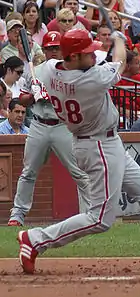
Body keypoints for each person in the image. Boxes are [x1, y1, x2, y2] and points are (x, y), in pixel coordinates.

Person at [17, 28, 140, 275]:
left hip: (102, 142)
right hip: (97, 145)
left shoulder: (49, 69)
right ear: (74, 58)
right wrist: (119, 38)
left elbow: (45, 67)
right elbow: (119, 61)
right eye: (86, 53)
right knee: (100, 219)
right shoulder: (91, 79)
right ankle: (35, 239)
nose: (91, 56)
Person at [7, 31, 90, 227]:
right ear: (43, 50)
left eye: (56, 48)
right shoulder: (36, 70)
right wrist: (34, 95)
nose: (53, 51)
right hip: (38, 124)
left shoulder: (72, 71)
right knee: (28, 171)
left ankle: (91, 214)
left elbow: (77, 100)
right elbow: (24, 101)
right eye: (49, 48)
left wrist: (52, 95)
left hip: (62, 125)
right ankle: (17, 214)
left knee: (79, 172)